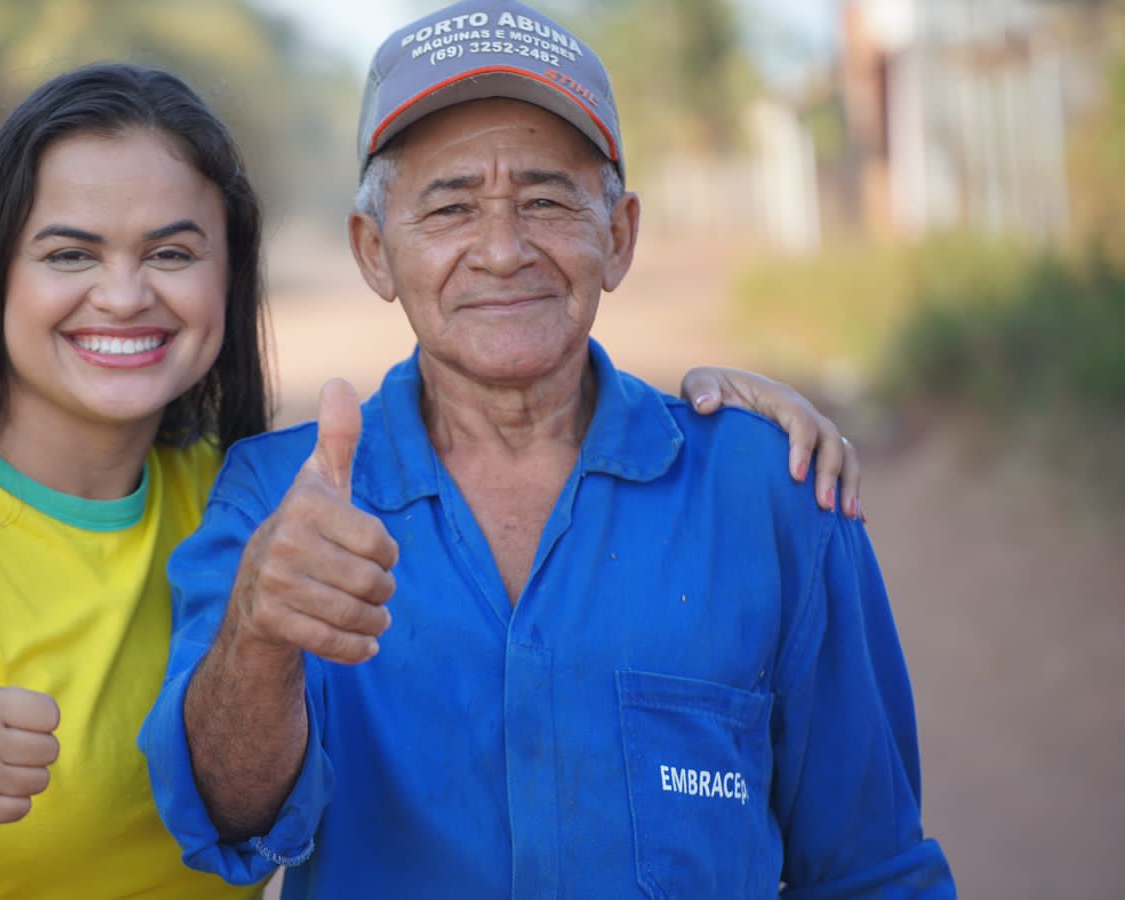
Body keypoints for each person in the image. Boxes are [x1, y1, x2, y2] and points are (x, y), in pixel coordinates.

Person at [0, 62, 863, 900]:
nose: (124, 296)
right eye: (69, 252)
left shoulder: (232, 489)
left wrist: (726, 424)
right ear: (376, 255)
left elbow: (871, 858)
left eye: (171, 252)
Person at [139, 2, 955, 898]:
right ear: (375, 253)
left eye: (546, 200)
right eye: (450, 206)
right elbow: (225, 813)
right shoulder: (277, 499)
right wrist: (260, 630)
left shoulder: (773, 488)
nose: (501, 249)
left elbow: (873, 866)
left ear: (619, 236)